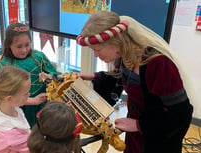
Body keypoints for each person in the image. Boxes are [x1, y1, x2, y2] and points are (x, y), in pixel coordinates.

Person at [76, 11, 193, 153]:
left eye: (98, 49)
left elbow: (181, 114)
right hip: (137, 133)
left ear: (116, 41)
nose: (96, 55)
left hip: (157, 138)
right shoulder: (124, 57)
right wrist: (88, 76)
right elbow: (117, 77)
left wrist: (139, 125)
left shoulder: (158, 65)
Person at [0, 22, 58, 127]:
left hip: (43, 102)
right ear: (8, 45)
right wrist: (32, 100)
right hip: (20, 107)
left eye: (27, 45)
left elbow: (54, 75)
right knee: (27, 133)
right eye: (19, 46)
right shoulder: (4, 65)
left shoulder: (39, 56)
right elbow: (3, 95)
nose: (24, 50)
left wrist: (48, 77)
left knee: (45, 128)